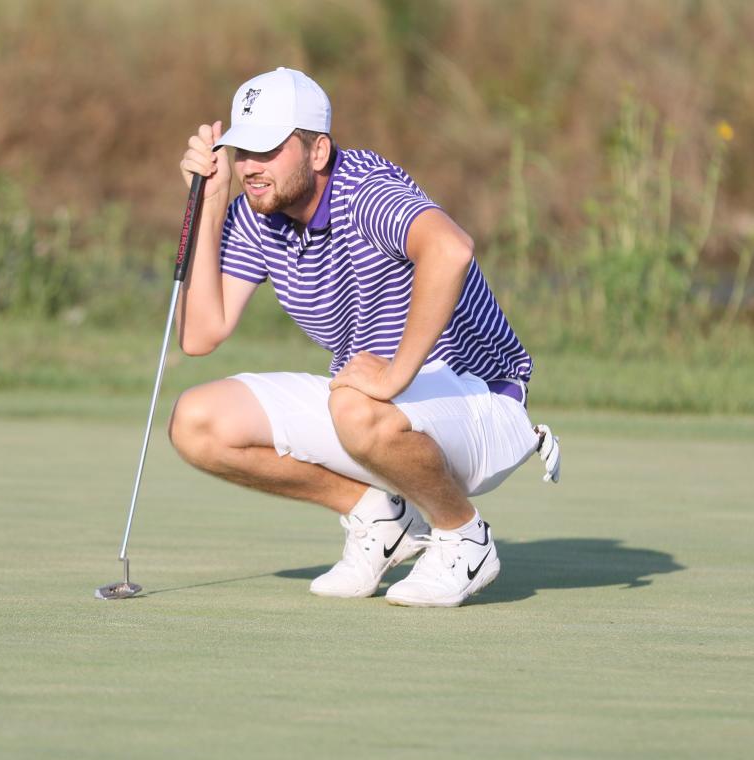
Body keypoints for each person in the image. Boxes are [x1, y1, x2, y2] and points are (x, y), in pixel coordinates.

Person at [170, 67, 560, 607]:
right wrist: (210, 206)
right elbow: (199, 333)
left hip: (479, 401)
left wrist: (395, 372)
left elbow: (451, 249)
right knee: (196, 423)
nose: (250, 168)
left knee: (353, 403)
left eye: (268, 150)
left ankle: (464, 537)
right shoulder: (259, 214)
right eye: (242, 152)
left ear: (317, 151)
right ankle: (377, 518)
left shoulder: (367, 190)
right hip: (374, 411)